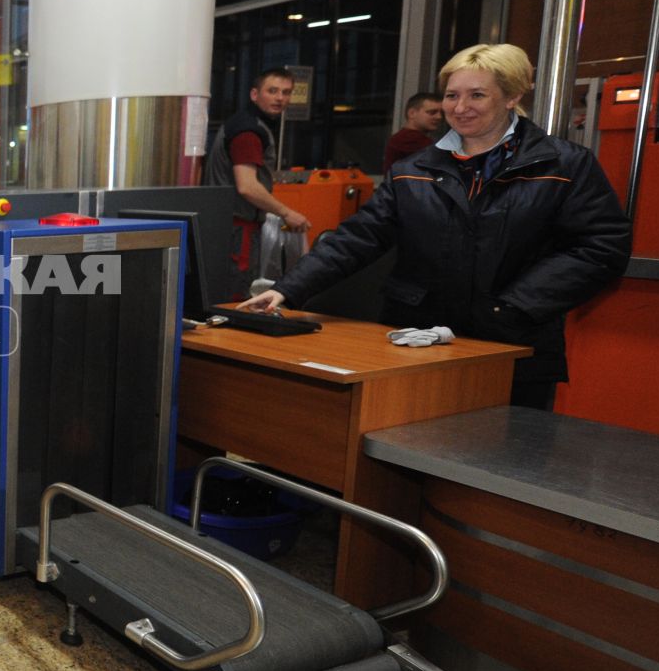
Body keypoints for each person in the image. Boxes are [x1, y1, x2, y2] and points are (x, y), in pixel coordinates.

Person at [243, 44, 631, 410]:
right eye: (451, 96)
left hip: (513, 348)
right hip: (416, 343)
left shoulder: (564, 165)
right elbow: (359, 237)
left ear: (511, 97)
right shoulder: (413, 170)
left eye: (477, 95)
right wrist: (287, 291)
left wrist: (516, 307)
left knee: (496, 465)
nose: (460, 108)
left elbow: (602, 245)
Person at [206, 66, 311, 300]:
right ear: (255, 94)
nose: (280, 98)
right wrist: (287, 213)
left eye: (286, 92)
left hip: (231, 222)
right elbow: (247, 186)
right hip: (236, 224)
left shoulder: (251, 124)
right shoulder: (249, 131)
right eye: (272, 91)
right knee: (234, 293)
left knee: (235, 287)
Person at [383, 90, 446, 170]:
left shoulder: (403, 138)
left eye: (442, 113)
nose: (439, 117)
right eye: (432, 112)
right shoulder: (408, 139)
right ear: (412, 113)